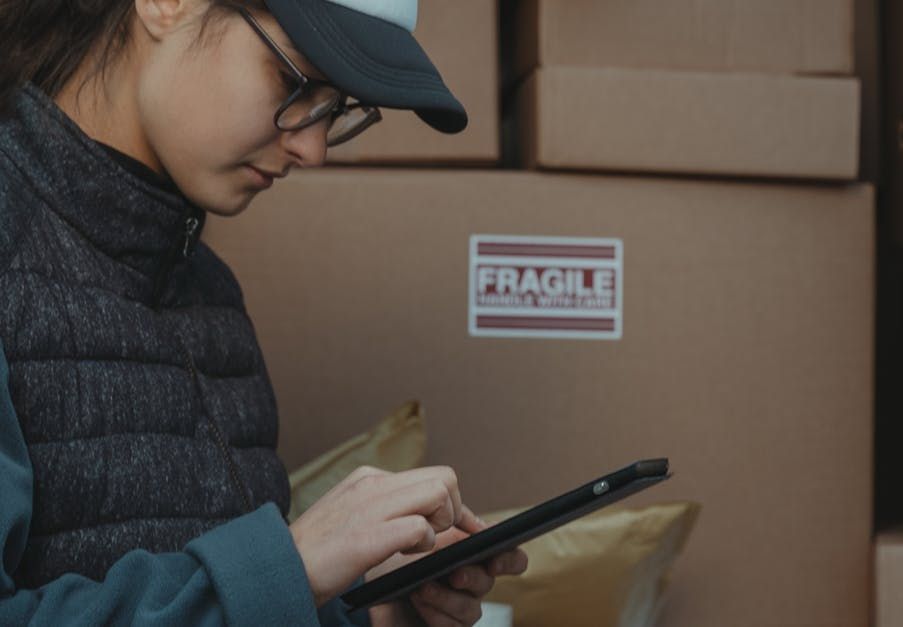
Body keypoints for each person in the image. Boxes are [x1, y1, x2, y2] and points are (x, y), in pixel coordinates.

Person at [0, 0, 527, 624]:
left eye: (336, 107)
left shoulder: (210, 296)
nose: (313, 148)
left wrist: (367, 610)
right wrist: (291, 567)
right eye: (294, 81)